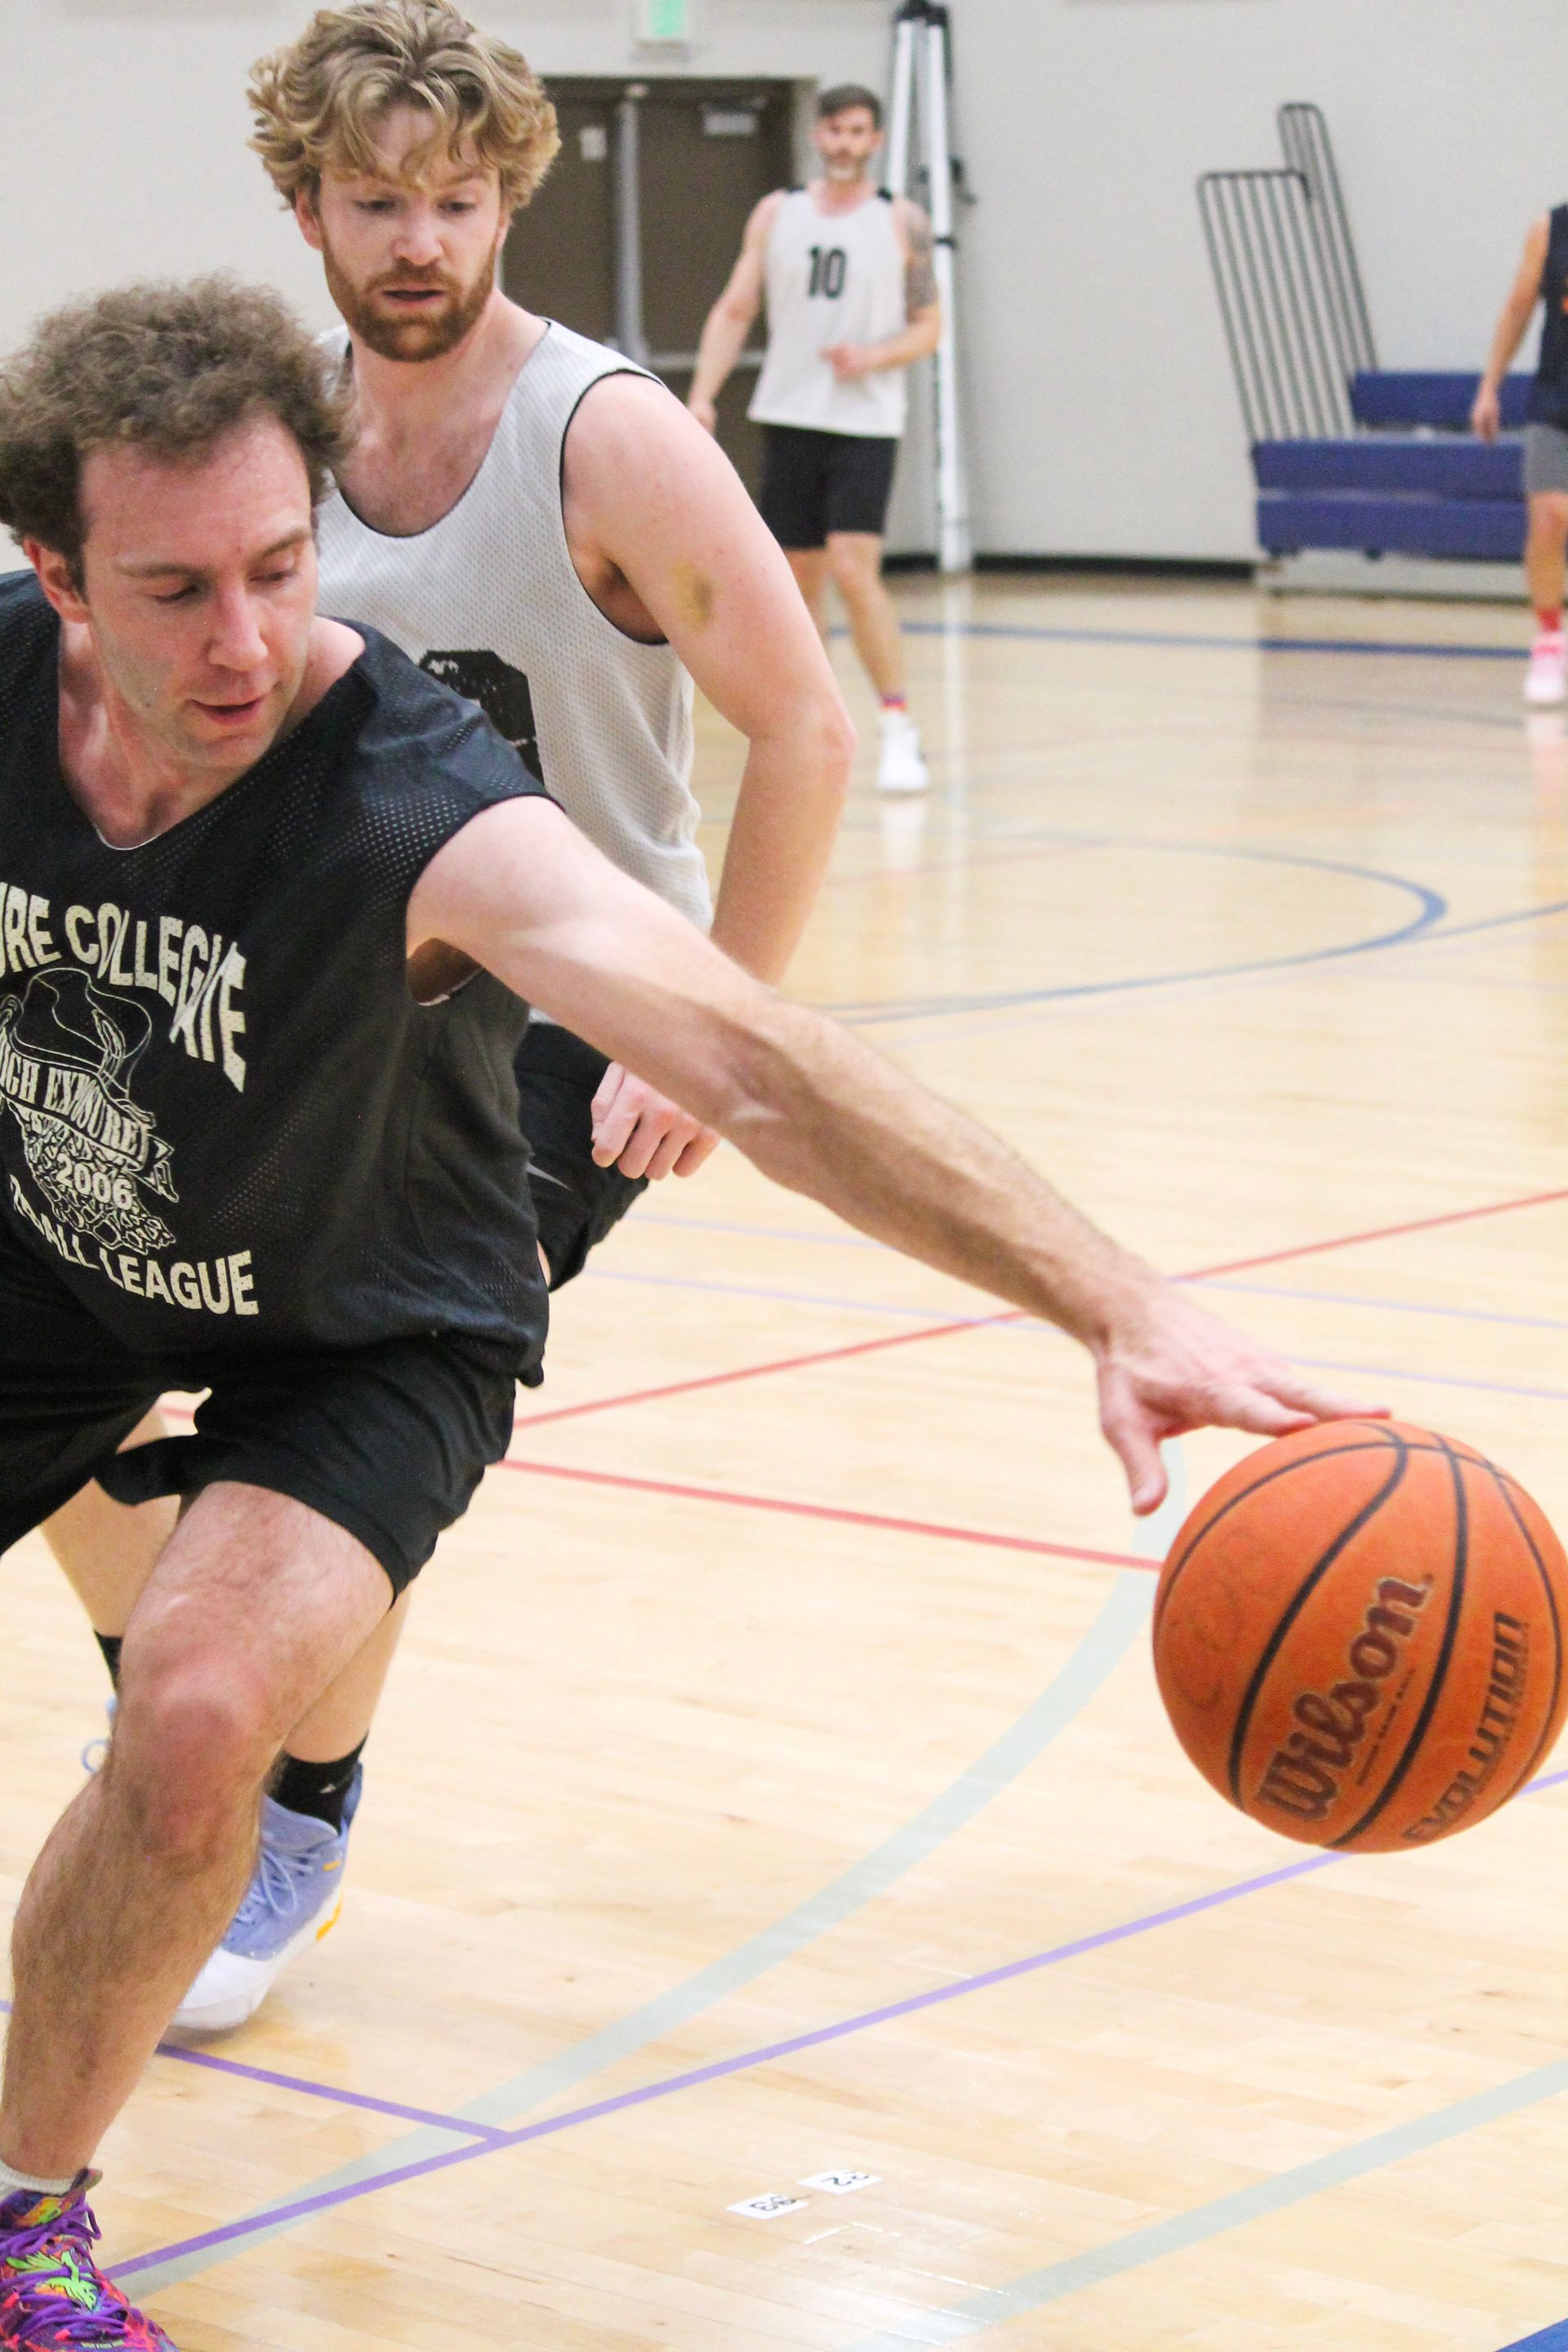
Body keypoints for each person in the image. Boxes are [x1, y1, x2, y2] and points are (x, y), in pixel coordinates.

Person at [0, 274, 1371, 2352]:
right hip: (62, 1239)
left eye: (281, 567)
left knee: (197, 1716)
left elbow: (756, 1059)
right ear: (57, 576)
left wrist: (1111, 1295)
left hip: (370, 1309)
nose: (245, 640)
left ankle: (26, 2226)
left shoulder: (405, 790)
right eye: (175, 590)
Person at [42, 0, 857, 2036]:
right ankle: (189, 1713)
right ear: (306, 210)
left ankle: (287, 1797)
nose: (419, 239)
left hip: (554, 1015)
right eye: (375, 200)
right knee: (62, 1292)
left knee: (348, 1377)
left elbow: (803, 728)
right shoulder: (279, 436)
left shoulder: (605, 437)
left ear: (511, 203)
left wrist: (699, 1032)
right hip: (304, 971)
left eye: (460, 200)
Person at [689, 82, 939, 795]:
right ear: (817, 135)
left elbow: (929, 326)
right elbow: (736, 307)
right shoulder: (778, 212)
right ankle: (818, 726)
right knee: (798, 580)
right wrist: (702, 395)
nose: (844, 143)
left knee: (855, 569)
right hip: (792, 412)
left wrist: (874, 355)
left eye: (857, 131)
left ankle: (898, 724)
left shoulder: (901, 221)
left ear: (875, 140)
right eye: (834, 130)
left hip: (864, 420)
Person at [1472, 205, 1568, 706]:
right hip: (1556, 401)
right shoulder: (1551, 230)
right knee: (1548, 516)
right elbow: (1517, 309)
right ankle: (1550, 640)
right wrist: (1490, 387)